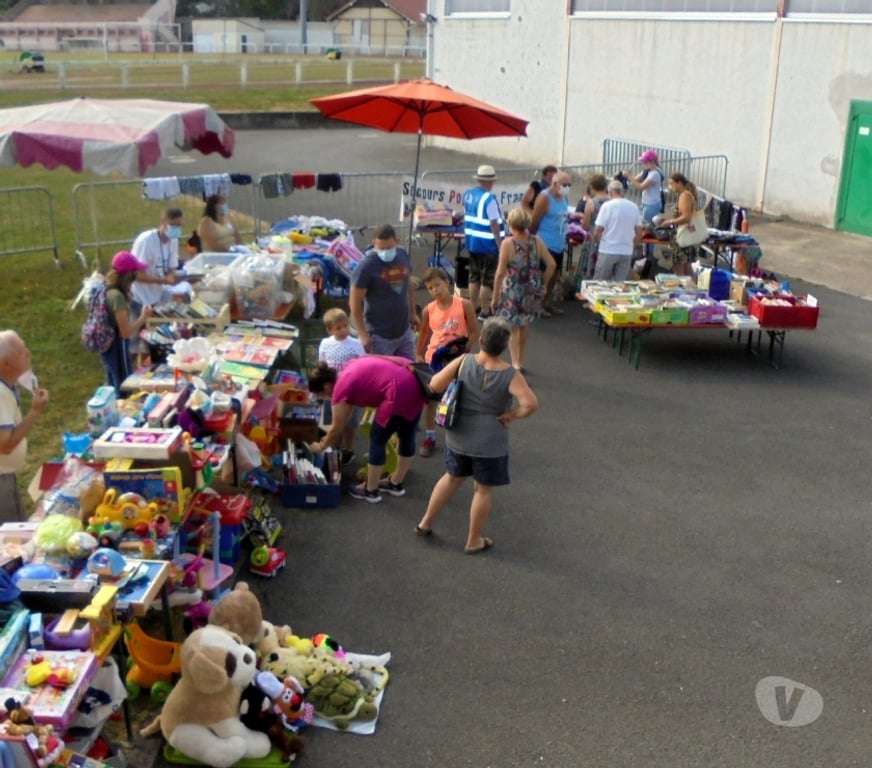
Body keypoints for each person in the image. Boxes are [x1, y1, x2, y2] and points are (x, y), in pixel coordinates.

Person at [415, 317, 539, 554]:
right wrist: (512, 414)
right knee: (483, 490)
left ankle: (426, 522)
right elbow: (531, 404)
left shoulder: (464, 361)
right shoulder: (511, 375)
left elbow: (435, 384)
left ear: (481, 341)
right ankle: (473, 539)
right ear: (504, 346)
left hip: (459, 433)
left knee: (451, 477)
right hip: (491, 441)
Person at [307, 356, 429, 503]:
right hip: (416, 381)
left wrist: (321, 446)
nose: (324, 398)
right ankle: (396, 483)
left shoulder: (340, 388)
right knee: (407, 434)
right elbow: (347, 411)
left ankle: (371, 490)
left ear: (326, 386)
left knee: (378, 438)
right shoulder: (348, 369)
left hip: (398, 390)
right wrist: (329, 437)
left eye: (321, 395)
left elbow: (337, 427)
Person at [415, 267, 478, 458]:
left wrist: (465, 349)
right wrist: (419, 353)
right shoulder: (428, 310)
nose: (435, 290)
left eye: (437, 285)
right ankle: (430, 435)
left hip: (457, 358)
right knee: (430, 400)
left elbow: (474, 330)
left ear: (447, 283)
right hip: (434, 359)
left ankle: (459, 439)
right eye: (430, 288)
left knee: (458, 398)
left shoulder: (463, 304)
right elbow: (424, 332)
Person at [491, 208, 555, 372]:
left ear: (510, 224)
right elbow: (552, 264)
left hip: (513, 288)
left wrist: (495, 296)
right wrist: (544, 283)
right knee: (525, 324)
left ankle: (515, 363)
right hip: (531, 288)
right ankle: (520, 359)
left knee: (512, 326)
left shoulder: (508, 243)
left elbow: (500, 273)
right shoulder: (536, 241)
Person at [0, 331, 49, 523]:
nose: (28, 354)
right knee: (9, 538)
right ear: (5, 364)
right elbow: (6, 445)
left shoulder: (7, 385)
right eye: (21, 352)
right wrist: (35, 411)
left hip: (6, 475)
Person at [349, 223, 418, 359]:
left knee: (411, 370)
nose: (385, 252)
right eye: (381, 248)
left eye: (389, 247)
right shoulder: (366, 266)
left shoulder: (402, 254)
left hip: (404, 331)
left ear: (397, 242)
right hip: (379, 336)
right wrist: (362, 334)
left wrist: (413, 313)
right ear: (374, 243)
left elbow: (408, 284)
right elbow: (355, 302)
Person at [101, 251, 155, 395]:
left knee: (113, 379)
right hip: (116, 346)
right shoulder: (117, 298)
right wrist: (143, 318)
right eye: (135, 272)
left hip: (108, 345)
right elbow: (125, 333)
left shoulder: (108, 288)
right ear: (128, 275)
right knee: (122, 384)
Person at [317, 308, 365, 465]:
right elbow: (322, 364)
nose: (343, 330)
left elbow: (363, 364)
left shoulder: (356, 344)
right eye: (338, 328)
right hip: (333, 390)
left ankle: (348, 449)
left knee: (350, 423)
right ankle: (335, 448)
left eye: (345, 326)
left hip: (351, 390)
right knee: (334, 422)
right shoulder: (325, 344)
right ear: (329, 330)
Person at [463, 164, 505, 318]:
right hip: (488, 245)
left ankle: (473, 307)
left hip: (472, 242)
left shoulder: (468, 195)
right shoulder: (489, 199)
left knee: (474, 276)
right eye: (493, 181)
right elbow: (494, 222)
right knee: (487, 279)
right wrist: (500, 244)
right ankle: (485, 311)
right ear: (489, 182)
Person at [530, 169, 572, 316]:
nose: (567, 188)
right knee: (544, 276)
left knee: (555, 276)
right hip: (545, 243)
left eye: (569, 185)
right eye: (565, 184)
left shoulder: (563, 197)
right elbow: (534, 220)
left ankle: (546, 302)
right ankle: (538, 305)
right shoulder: (544, 198)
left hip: (559, 243)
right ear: (555, 184)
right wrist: (534, 238)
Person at [130, 207, 186, 310]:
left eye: (179, 226)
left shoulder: (174, 241)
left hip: (158, 295)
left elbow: (171, 270)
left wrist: (180, 278)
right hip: (140, 298)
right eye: (173, 225)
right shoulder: (147, 241)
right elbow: (136, 274)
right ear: (163, 222)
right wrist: (164, 280)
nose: (177, 229)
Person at [592, 180, 642, 282]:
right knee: (620, 284)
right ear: (622, 192)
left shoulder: (607, 206)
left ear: (610, 192)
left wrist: (597, 242)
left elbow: (598, 229)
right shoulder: (634, 206)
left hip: (608, 249)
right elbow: (639, 229)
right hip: (626, 251)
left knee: (600, 283)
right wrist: (634, 244)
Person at [661, 172, 701, 278]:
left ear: (679, 183)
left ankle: (687, 291)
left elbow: (686, 217)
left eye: (672, 183)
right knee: (687, 269)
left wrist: (670, 222)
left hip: (682, 238)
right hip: (687, 236)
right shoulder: (687, 195)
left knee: (679, 270)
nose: (670, 187)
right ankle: (695, 290)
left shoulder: (684, 196)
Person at [576, 173, 610, 280]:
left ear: (592, 186)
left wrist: (582, 222)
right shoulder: (611, 201)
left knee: (590, 264)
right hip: (607, 237)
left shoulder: (591, 203)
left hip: (593, 239)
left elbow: (585, 225)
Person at [625, 149, 665, 224]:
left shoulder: (655, 174)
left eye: (645, 162)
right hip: (647, 202)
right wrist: (627, 176)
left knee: (647, 225)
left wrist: (629, 176)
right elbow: (635, 179)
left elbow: (641, 186)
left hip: (652, 204)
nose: (644, 164)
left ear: (652, 162)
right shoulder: (648, 171)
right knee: (647, 223)